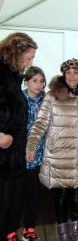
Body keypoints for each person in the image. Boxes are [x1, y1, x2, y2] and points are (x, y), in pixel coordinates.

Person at [26, 58, 78, 241]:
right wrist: (32, 145)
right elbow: (40, 123)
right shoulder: (52, 96)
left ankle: (76, 230)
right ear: (63, 75)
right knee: (61, 195)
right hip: (58, 155)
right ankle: (62, 231)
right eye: (68, 72)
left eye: (76, 72)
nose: (72, 76)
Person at [0, 32, 37, 241]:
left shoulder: (13, 77)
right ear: (16, 52)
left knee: (11, 206)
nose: (31, 62)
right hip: (3, 157)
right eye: (29, 57)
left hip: (14, 157)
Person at [22, 66, 46, 241]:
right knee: (17, 195)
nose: (39, 85)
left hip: (41, 154)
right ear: (26, 81)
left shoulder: (46, 100)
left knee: (33, 194)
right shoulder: (18, 99)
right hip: (21, 154)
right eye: (35, 80)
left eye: (42, 81)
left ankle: (29, 228)